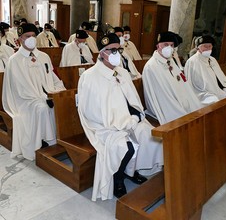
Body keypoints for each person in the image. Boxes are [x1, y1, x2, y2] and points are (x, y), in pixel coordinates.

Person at [77, 33, 163, 201]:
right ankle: (117, 178)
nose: (116, 53)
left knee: (148, 134)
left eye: (118, 50)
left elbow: (131, 98)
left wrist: (136, 114)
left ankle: (133, 170)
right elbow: (90, 111)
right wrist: (123, 121)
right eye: (112, 50)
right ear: (101, 53)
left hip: (127, 119)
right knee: (126, 147)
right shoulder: (90, 76)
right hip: (105, 125)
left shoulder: (122, 72)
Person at [2, 23, 66, 161]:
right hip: (25, 100)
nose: (31, 38)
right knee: (42, 108)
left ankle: (59, 141)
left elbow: (52, 77)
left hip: (46, 94)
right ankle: (41, 143)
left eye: (33, 36)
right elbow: (19, 88)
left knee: (62, 102)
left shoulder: (43, 56)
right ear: (20, 39)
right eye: (27, 36)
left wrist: (60, 91)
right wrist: (42, 98)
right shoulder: (14, 60)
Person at [142, 31, 202, 124]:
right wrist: (179, 109)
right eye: (165, 44)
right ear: (158, 46)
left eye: (171, 45)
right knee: (185, 119)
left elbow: (182, 83)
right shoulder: (151, 66)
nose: (169, 48)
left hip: (179, 100)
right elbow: (161, 94)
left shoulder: (170, 61)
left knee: (197, 110)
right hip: (166, 104)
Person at [184, 35, 226, 105]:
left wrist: (225, 87)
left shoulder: (212, 59)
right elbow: (191, 82)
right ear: (198, 48)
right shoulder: (192, 61)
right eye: (205, 46)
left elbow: (220, 75)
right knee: (215, 101)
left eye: (210, 46)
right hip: (202, 93)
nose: (208, 49)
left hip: (220, 89)